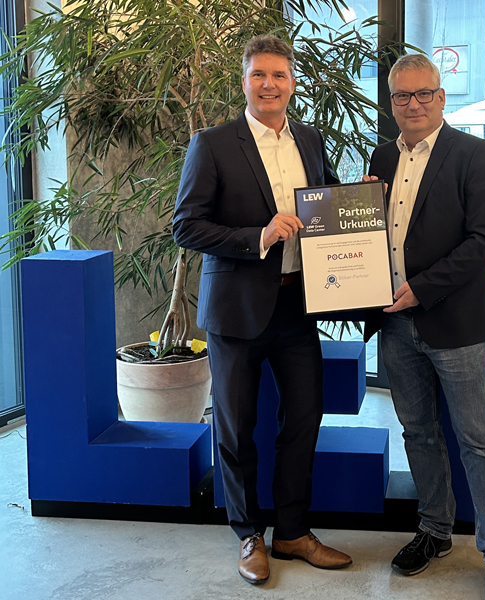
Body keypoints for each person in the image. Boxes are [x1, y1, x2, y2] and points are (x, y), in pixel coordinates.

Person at [173, 34, 352, 585]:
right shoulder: (212, 144)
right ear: (244, 81)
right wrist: (260, 235)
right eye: (259, 75)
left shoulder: (310, 139)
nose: (269, 85)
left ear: (292, 83)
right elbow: (187, 226)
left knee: (304, 418)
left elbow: (324, 203)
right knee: (236, 427)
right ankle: (249, 534)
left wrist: (357, 200)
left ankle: (293, 532)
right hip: (236, 310)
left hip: (299, 304)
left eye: (278, 75)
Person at [364, 54, 485, 600]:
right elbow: (367, 236)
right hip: (395, 323)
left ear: (441, 97)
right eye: (402, 96)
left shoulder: (474, 154)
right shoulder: (382, 157)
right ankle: (434, 529)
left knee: (478, 437)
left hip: (456, 322)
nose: (413, 104)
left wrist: (423, 288)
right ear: (391, 103)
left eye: (423, 93)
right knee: (418, 432)